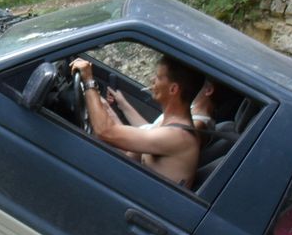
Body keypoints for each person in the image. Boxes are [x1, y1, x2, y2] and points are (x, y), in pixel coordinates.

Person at [71, 55, 205, 187]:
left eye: (158, 77)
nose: (152, 80)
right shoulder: (168, 124)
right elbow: (129, 157)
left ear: (173, 89)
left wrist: (89, 81)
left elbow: (105, 131)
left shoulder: (178, 136)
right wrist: (103, 108)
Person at [108, 78, 218, 132]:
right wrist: (123, 104)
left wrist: (105, 109)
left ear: (208, 90)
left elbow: (140, 146)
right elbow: (148, 130)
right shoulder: (191, 111)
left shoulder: (194, 126)